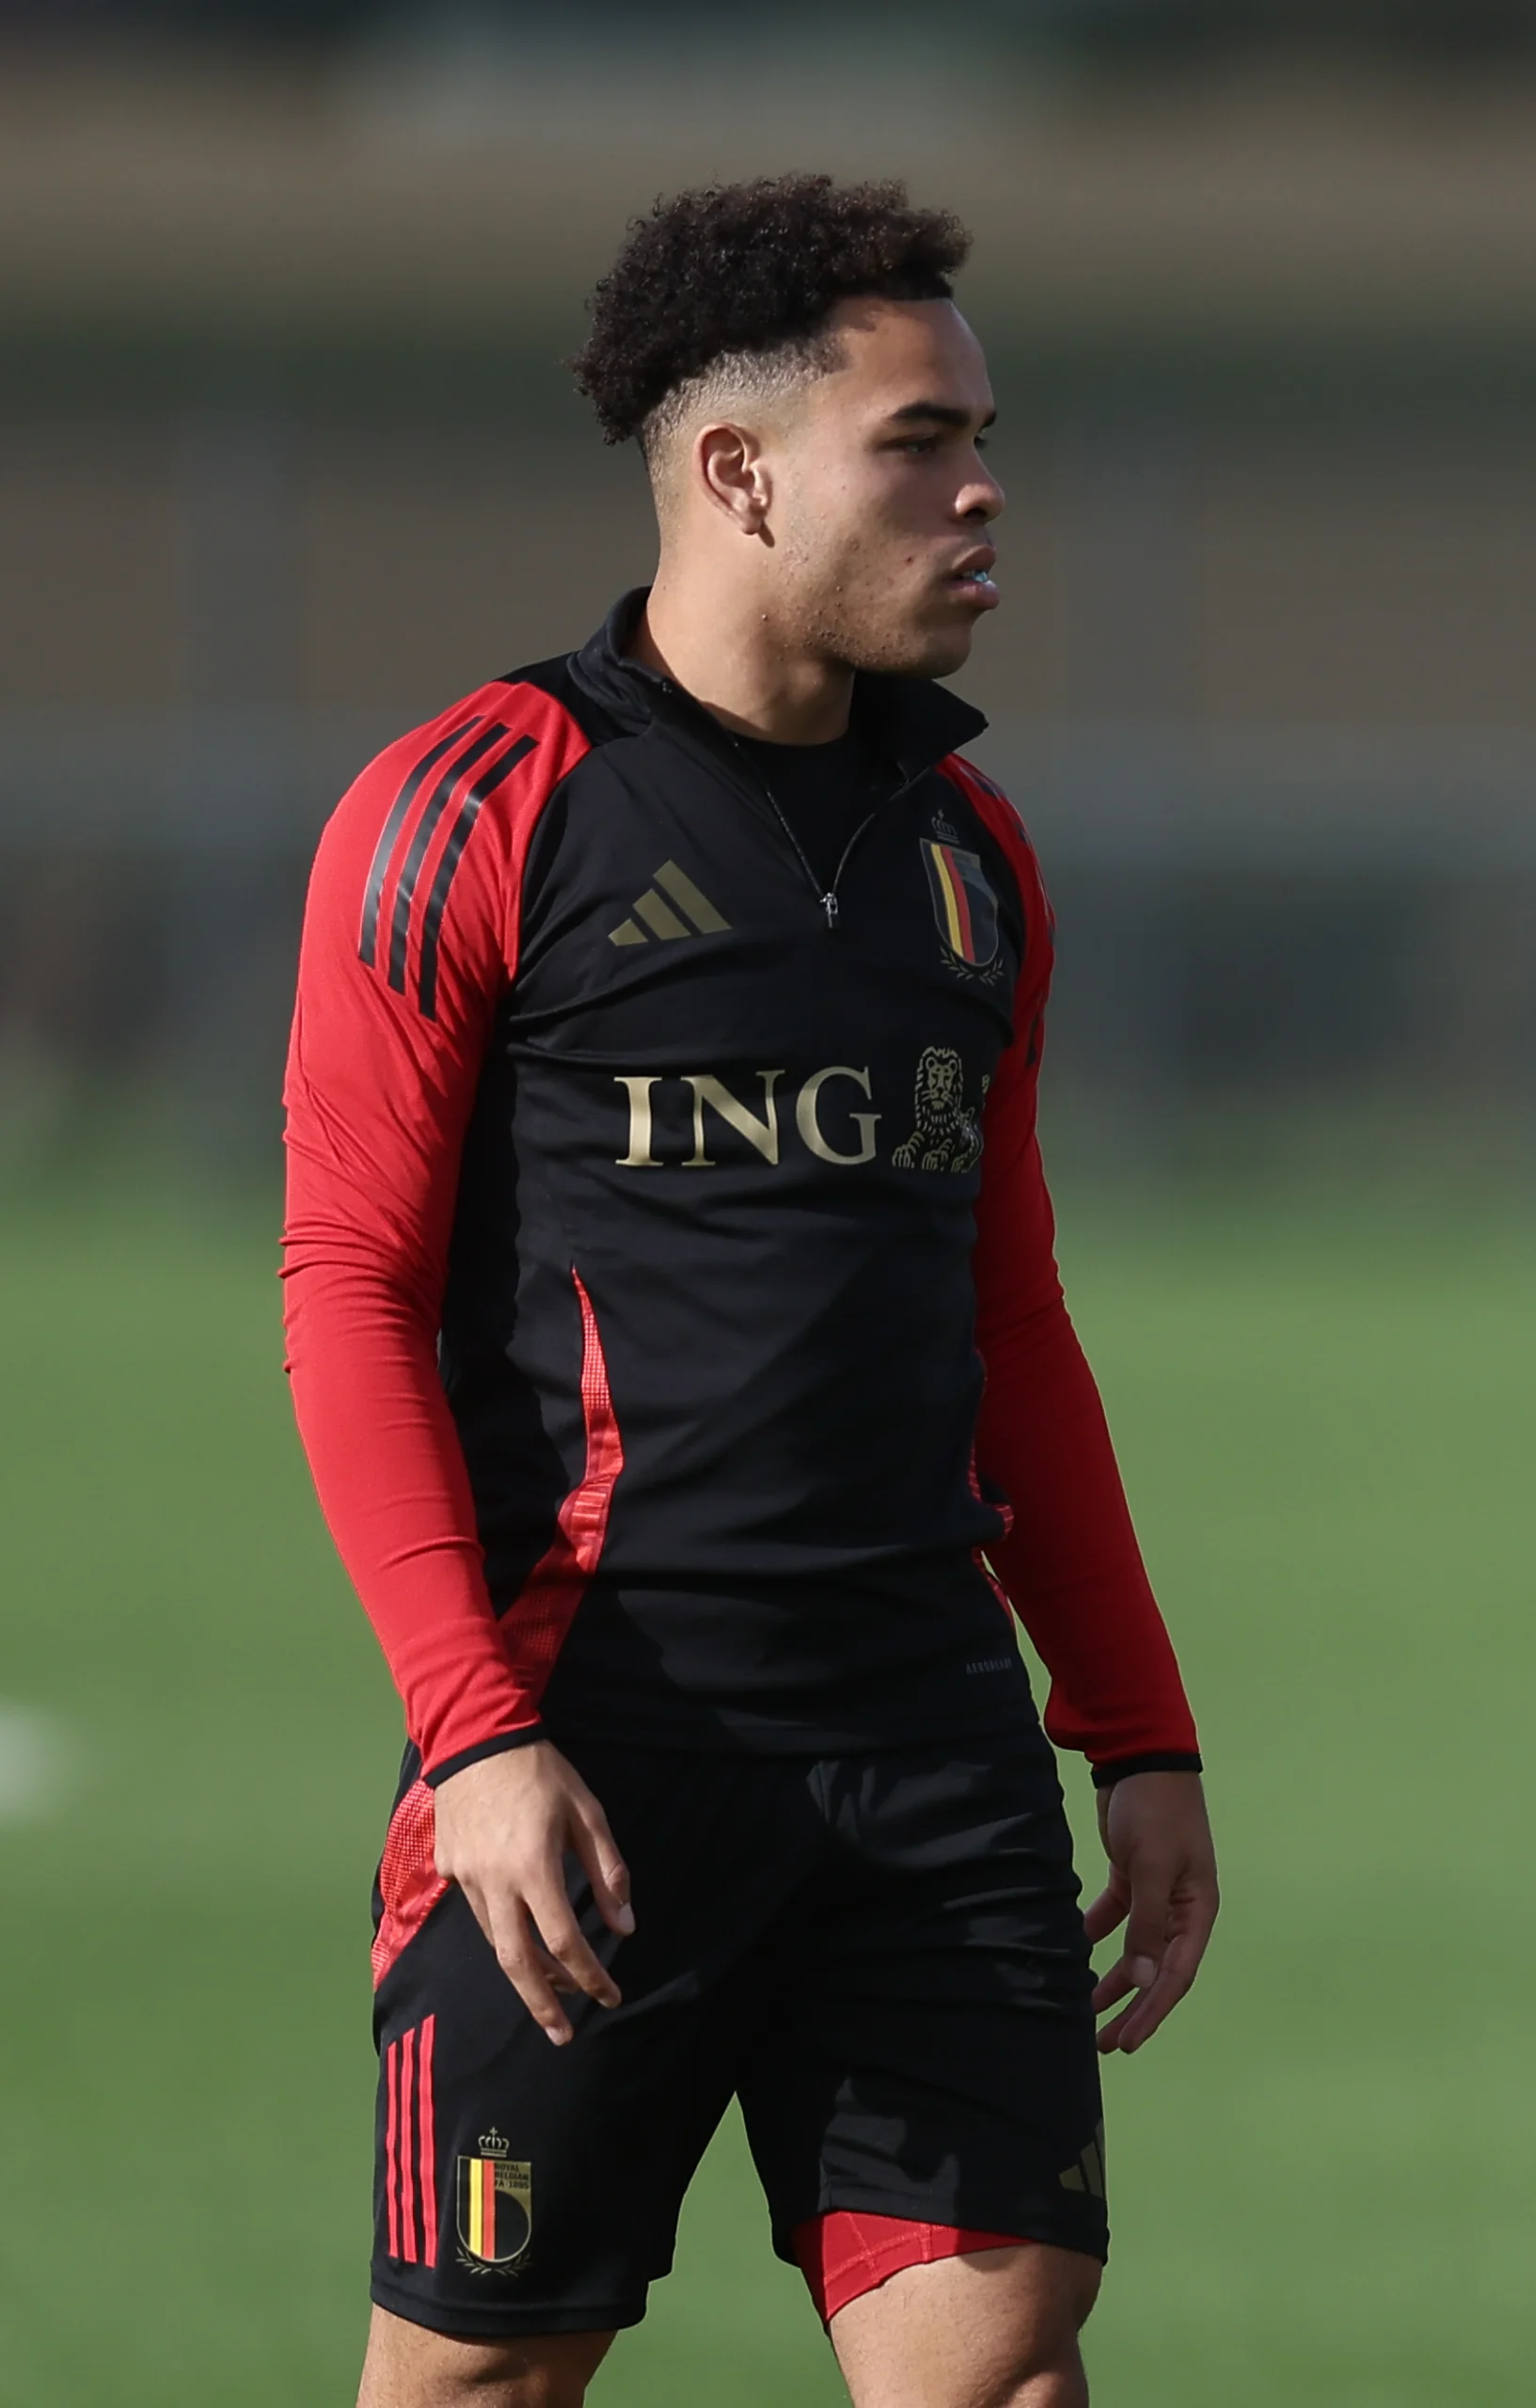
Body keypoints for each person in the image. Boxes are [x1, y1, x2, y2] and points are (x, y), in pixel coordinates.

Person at [282, 175, 1218, 2408]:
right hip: (598, 1744)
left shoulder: (970, 863)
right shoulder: (469, 811)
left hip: (923, 1736)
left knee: (1002, 2368)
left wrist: (1136, 1723)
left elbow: (1014, 1328)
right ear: (738, 470)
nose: (985, 483)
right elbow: (347, 1286)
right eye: (921, 439)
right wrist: (476, 1734)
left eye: (983, 429)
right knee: (483, 2382)